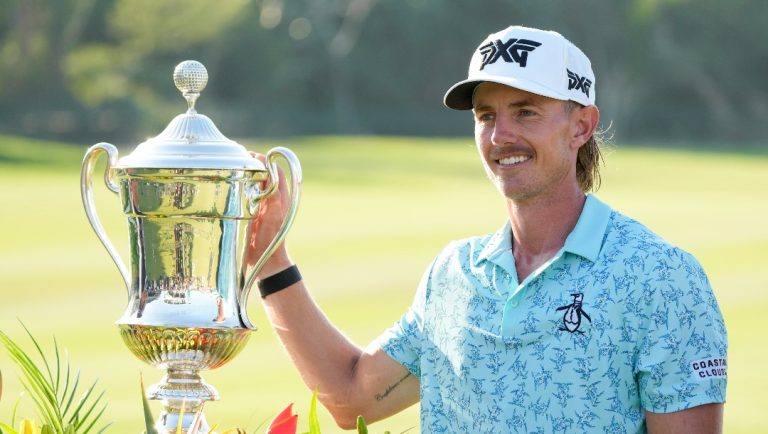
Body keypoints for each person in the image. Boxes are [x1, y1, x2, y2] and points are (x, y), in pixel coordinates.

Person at [249, 25, 727, 433]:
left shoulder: (663, 278)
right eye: (486, 116)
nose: (501, 136)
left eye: (526, 112)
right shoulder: (454, 275)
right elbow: (354, 396)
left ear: (581, 126)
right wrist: (271, 258)